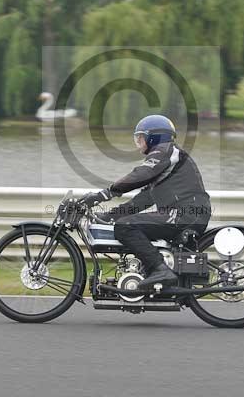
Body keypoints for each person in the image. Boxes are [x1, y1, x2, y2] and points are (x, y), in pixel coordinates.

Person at [79, 114, 212, 288]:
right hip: (185, 213)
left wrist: (104, 195)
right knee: (123, 223)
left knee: (126, 227)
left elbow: (140, 175)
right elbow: (144, 198)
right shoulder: (166, 160)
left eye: (141, 137)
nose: (138, 142)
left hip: (185, 214)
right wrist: (110, 216)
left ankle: (160, 271)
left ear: (154, 136)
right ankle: (157, 271)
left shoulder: (165, 151)